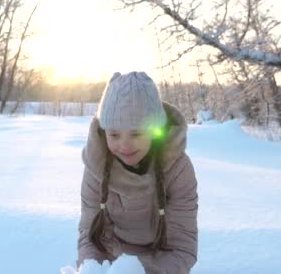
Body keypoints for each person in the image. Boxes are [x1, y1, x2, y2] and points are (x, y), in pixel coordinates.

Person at [77, 71, 198, 274]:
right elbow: (89, 236)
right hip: (110, 262)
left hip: (162, 264)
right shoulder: (95, 167)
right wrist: (93, 269)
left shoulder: (179, 169)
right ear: (103, 130)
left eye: (136, 133)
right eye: (114, 134)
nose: (124, 145)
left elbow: (182, 246)